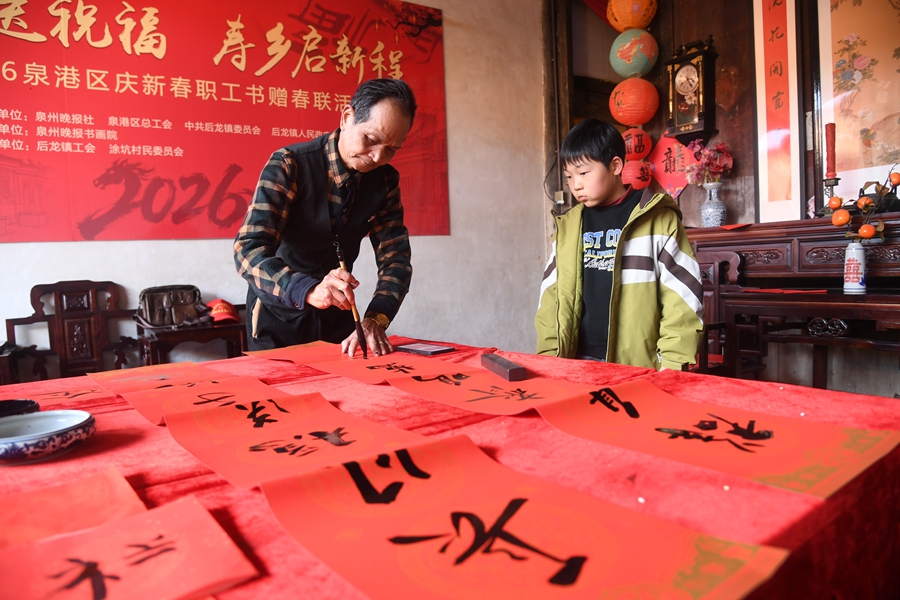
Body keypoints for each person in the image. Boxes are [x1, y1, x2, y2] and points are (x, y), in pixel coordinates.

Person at [234, 78, 416, 357]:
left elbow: (396, 259)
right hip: (278, 319)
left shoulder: (385, 181)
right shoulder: (289, 164)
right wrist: (306, 290)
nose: (378, 157)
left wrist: (376, 318)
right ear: (347, 117)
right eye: (370, 140)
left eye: (392, 148)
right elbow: (248, 249)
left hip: (339, 321)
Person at [535, 119, 704, 370]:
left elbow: (683, 297)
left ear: (615, 166)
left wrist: (671, 366)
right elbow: (550, 299)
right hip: (574, 362)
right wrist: (549, 360)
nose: (575, 185)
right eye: (569, 176)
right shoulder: (569, 227)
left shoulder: (656, 218)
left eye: (583, 173)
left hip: (638, 366)